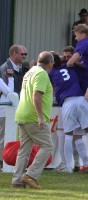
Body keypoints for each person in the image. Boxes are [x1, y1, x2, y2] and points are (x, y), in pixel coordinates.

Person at [49, 52, 88, 175]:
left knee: (69, 136)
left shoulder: (51, 73)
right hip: (81, 100)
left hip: (67, 102)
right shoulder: (70, 66)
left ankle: (69, 167)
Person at [11, 51, 55, 189]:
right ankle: (30, 175)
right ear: (49, 63)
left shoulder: (30, 71)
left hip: (22, 115)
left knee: (24, 149)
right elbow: (36, 95)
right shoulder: (42, 74)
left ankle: (17, 181)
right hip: (33, 117)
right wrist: (40, 117)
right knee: (47, 145)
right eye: (53, 63)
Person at [0, 70, 15, 171]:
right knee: (1, 138)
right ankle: (1, 163)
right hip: (2, 112)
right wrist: (10, 78)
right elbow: (10, 94)